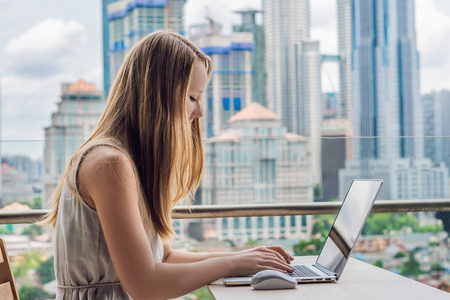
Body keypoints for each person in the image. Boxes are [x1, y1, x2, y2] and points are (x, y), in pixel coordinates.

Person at [42, 30, 294, 300]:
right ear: (158, 95)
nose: (198, 112)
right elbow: (146, 285)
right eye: (192, 98)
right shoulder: (110, 164)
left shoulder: (126, 160)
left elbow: (166, 257)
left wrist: (244, 257)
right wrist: (234, 264)